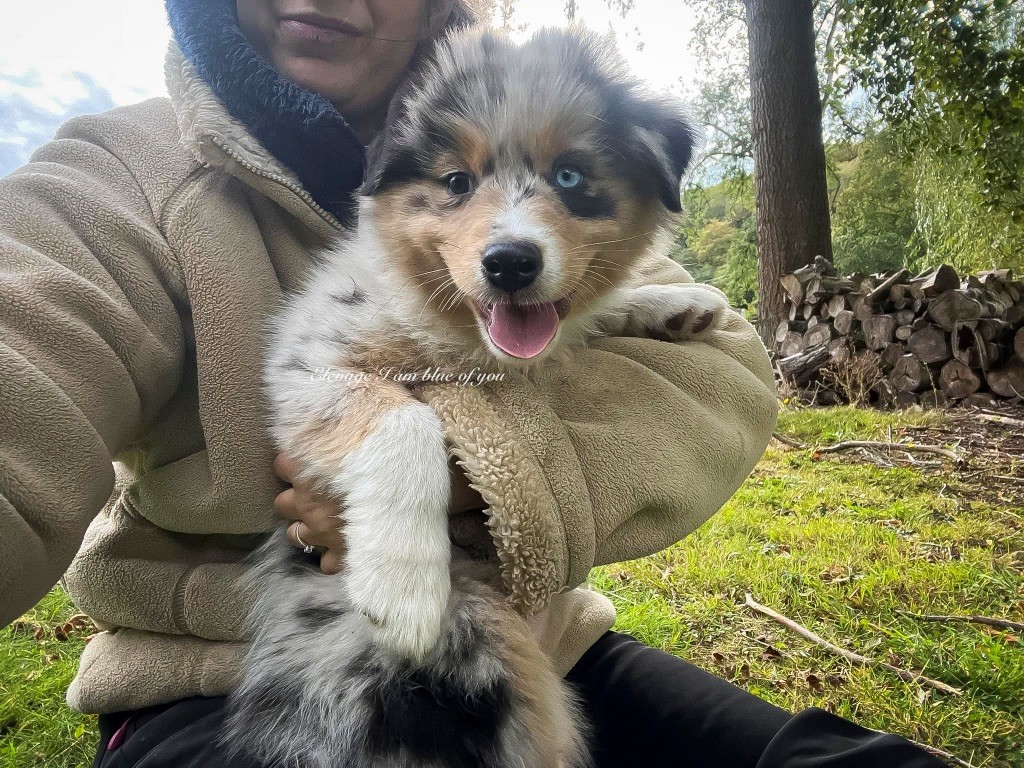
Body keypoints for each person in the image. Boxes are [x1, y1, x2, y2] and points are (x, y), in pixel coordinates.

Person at [0, 1, 943, 766]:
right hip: (222, 677)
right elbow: (28, 348)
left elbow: (717, 373)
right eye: (456, 180)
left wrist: (466, 470)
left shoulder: (541, 108)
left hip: (539, 635)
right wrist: (393, 460)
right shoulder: (118, 179)